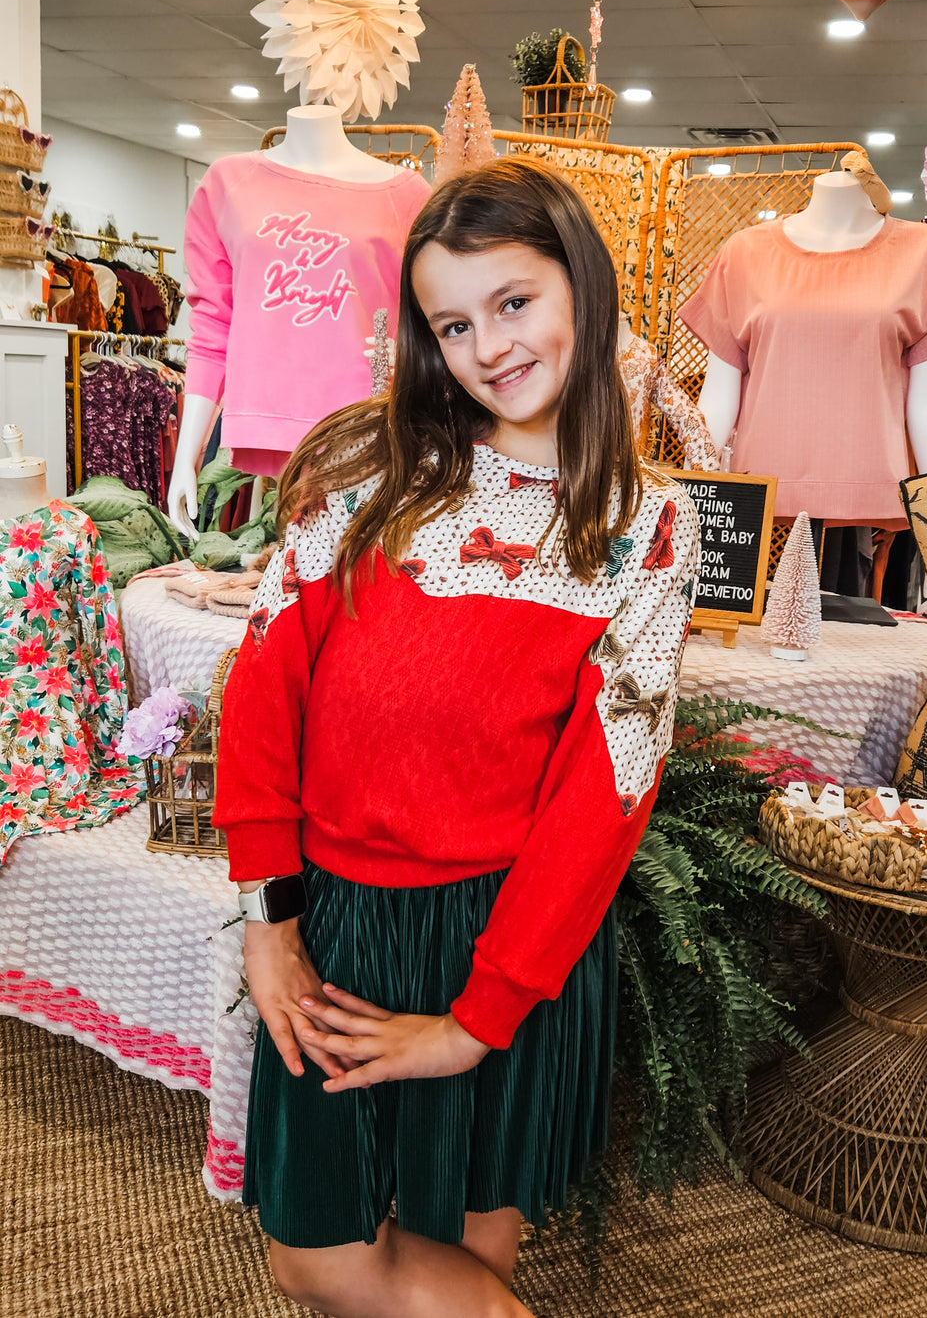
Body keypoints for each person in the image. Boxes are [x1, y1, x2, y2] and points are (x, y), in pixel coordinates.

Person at [214, 156, 700, 1318]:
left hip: (513, 933)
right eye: (453, 321)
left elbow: (608, 789)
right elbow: (263, 690)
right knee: (314, 1252)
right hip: (343, 924)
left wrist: (483, 1018)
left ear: (583, 287)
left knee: (475, 1242)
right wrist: (268, 922)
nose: (490, 345)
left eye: (515, 301)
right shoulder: (365, 474)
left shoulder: (646, 526)